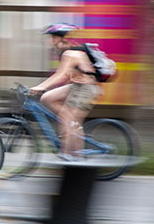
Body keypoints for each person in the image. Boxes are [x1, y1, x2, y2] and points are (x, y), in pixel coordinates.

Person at [29, 23, 102, 160]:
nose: (49, 40)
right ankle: (69, 127)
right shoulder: (65, 51)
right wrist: (43, 89)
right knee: (47, 98)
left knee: (70, 121)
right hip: (76, 87)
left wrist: (40, 87)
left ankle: (73, 156)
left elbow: (60, 75)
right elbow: (66, 76)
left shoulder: (69, 53)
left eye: (51, 37)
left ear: (58, 38)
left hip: (86, 89)